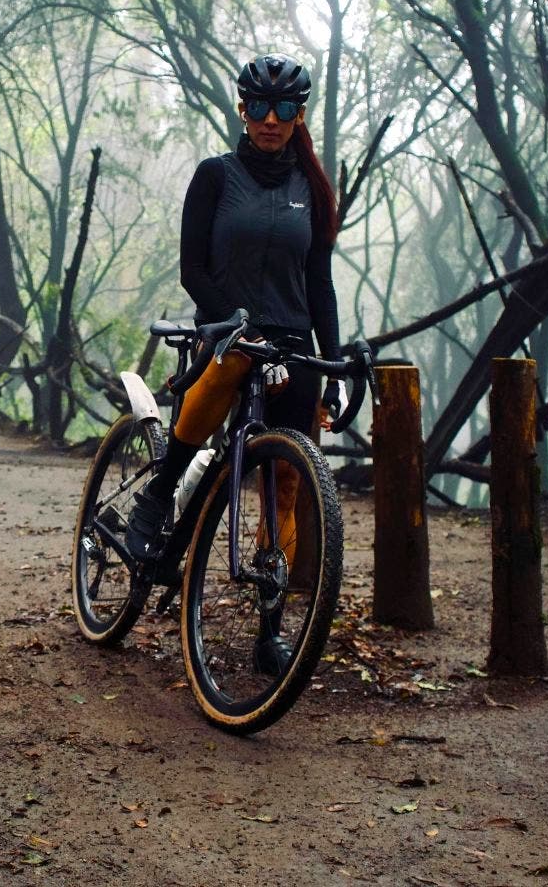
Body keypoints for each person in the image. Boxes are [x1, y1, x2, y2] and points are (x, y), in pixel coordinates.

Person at [121, 52, 343, 671]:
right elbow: (193, 269)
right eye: (261, 106)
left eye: (285, 108)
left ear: (300, 115)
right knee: (230, 366)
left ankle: (270, 629)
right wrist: (235, 320)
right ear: (243, 109)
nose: (272, 119)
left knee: (287, 484)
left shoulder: (311, 189)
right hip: (229, 329)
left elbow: (319, 283)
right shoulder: (215, 176)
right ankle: (159, 492)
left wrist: (333, 360)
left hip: (293, 343)